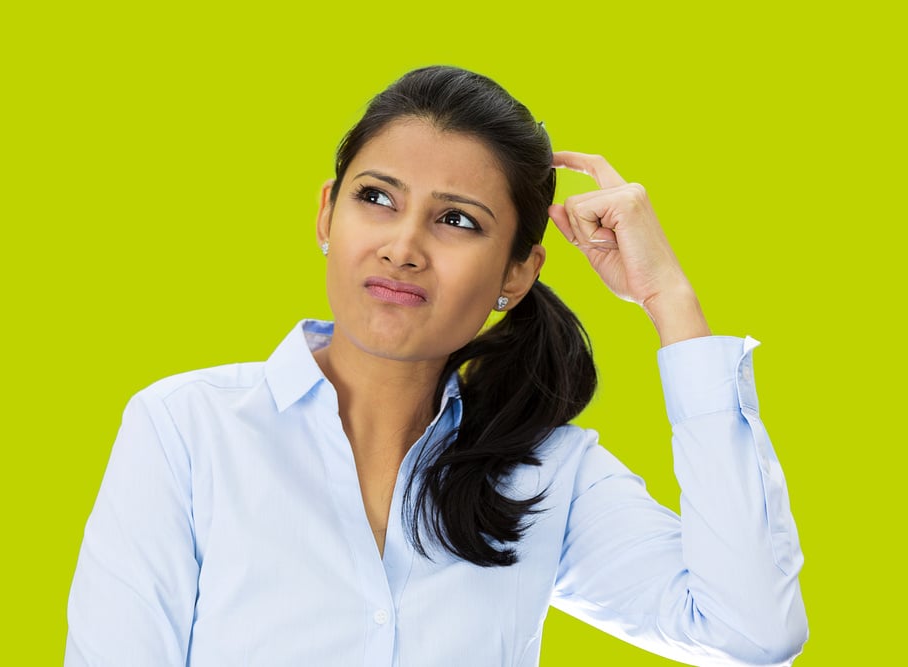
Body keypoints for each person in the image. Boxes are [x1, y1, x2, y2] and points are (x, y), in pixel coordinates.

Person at [65, 66, 808, 666]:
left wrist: (667, 300)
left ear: (517, 274)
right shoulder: (187, 429)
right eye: (377, 198)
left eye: (458, 219)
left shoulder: (551, 475)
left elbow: (750, 630)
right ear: (327, 214)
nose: (403, 245)